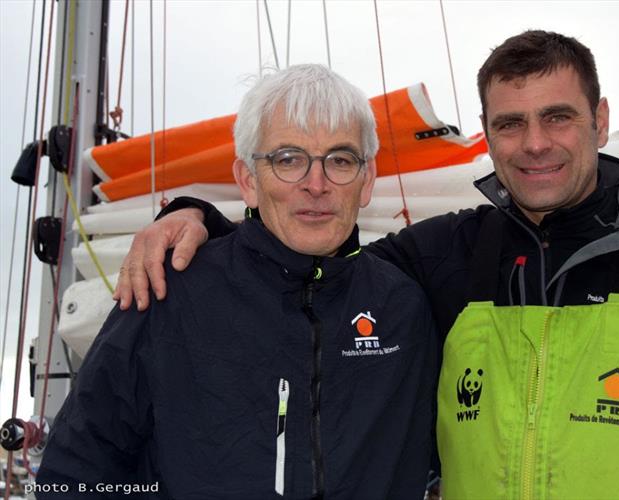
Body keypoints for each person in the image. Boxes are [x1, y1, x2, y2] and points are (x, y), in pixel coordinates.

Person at [115, 31, 619, 498]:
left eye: (557, 117)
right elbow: (307, 260)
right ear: (488, 133)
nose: (535, 145)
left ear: (600, 117)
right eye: (509, 123)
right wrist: (199, 218)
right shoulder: (440, 255)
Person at [36, 64, 438, 499]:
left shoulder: (402, 307)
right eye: (288, 160)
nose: (316, 184)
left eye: (340, 160)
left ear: (367, 180)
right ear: (248, 181)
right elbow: (72, 474)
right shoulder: (170, 293)